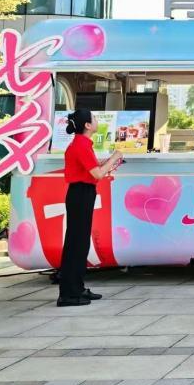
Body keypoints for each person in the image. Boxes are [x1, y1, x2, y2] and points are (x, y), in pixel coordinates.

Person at [59, 109, 121, 307]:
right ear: (87, 125)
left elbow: (91, 170)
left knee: (80, 243)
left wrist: (107, 163)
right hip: (80, 194)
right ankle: (69, 294)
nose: (96, 120)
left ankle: (77, 288)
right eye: (93, 118)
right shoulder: (81, 145)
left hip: (82, 193)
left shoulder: (82, 143)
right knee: (76, 244)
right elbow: (97, 174)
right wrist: (114, 157)